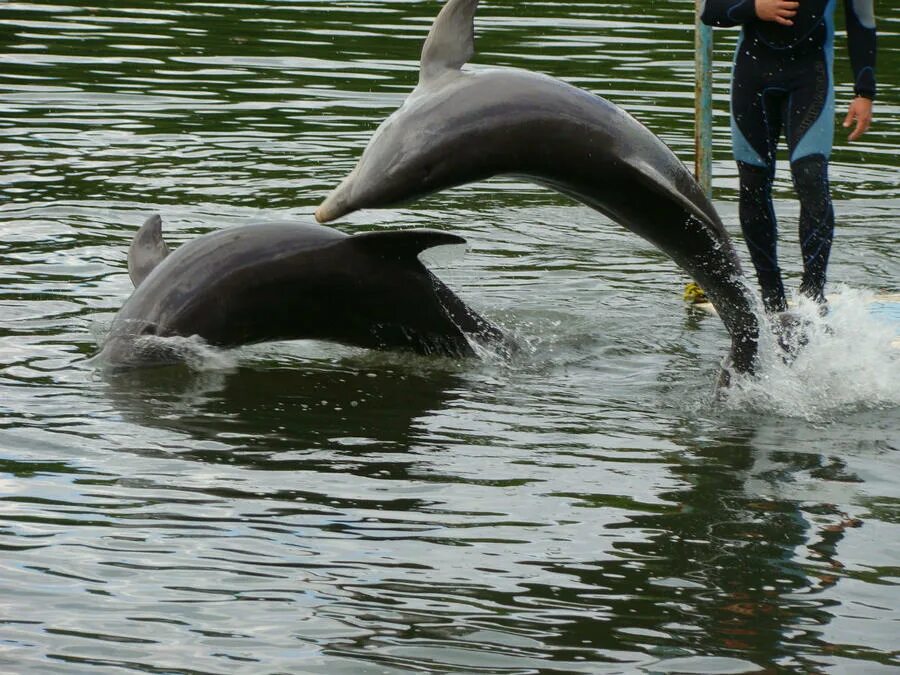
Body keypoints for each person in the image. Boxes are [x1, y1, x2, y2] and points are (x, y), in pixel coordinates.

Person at [700, 0, 877, 313]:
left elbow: (861, 21)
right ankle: (772, 299)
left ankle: (812, 297)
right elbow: (711, 11)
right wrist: (755, 8)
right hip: (752, 78)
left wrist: (864, 92)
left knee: (810, 177)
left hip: (810, 79)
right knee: (753, 182)